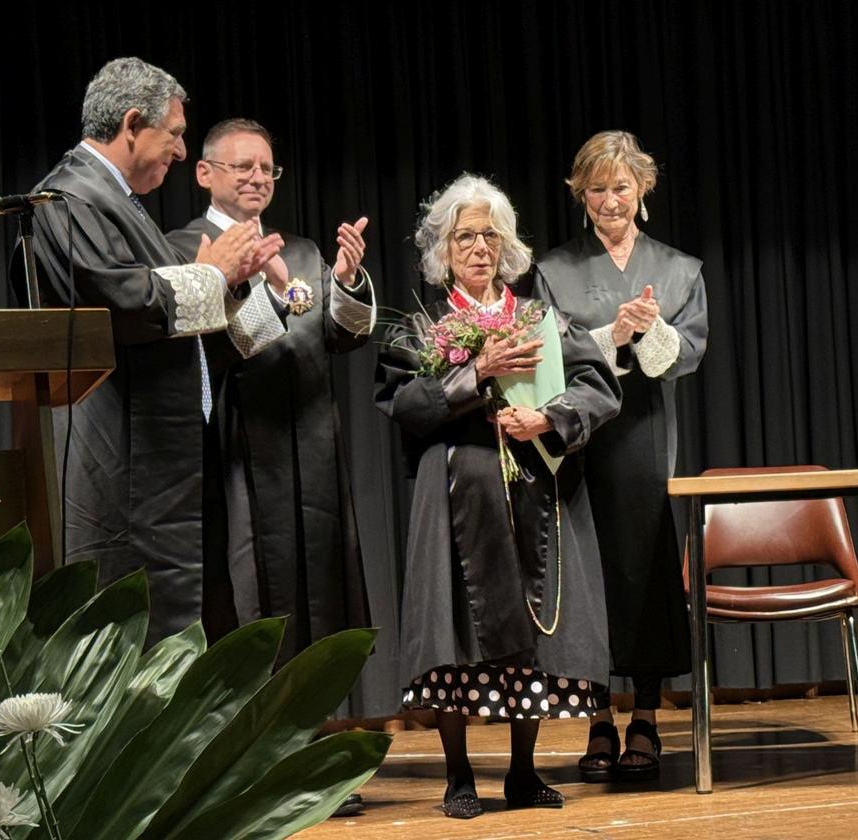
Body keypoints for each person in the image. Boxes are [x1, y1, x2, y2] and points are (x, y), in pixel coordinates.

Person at [14, 57, 286, 645]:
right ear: (133, 123)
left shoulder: (115, 200)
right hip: (124, 452)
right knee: (132, 625)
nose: (182, 152)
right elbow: (122, 300)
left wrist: (227, 279)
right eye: (176, 133)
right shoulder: (68, 199)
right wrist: (209, 271)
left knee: (173, 619)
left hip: (159, 448)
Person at [376, 174, 620, 819]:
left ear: (507, 246)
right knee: (456, 627)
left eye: (491, 235)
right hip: (456, 492)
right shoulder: (424, 324)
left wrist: (549, 418)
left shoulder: (538, 318)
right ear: (443, 248)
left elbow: (599, 387)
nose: (480, 247)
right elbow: (402, 402)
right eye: (465, 236)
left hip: (537, 490)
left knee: (535, 628)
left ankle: (521, 772)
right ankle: (458, 776)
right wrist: (474, 375)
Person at [165, 118, 375, 669]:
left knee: (318, 587)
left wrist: (348, 280)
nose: (258, 178)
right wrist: (275, 294)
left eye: (267, 168)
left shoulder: (301, 250)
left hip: (310, 439)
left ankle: (309, 725)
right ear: (205, 173)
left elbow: (342, 335)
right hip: (235, 441)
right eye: (243, 166)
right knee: (244, 589)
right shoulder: (186, 249)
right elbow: (212, 343)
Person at [533, 130, 709, 781]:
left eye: (622, 187)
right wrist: (612, 333)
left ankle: (647, 719)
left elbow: (682, 357)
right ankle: (597, 720)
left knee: (644, 570)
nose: (611, 200)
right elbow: (551, 356)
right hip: (581, 440)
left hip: (640, 439)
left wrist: (651, 329)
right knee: (590, 577)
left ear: (643, 189)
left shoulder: (677, 268)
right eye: (598, 188)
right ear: (581, 194)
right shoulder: (556, 270)